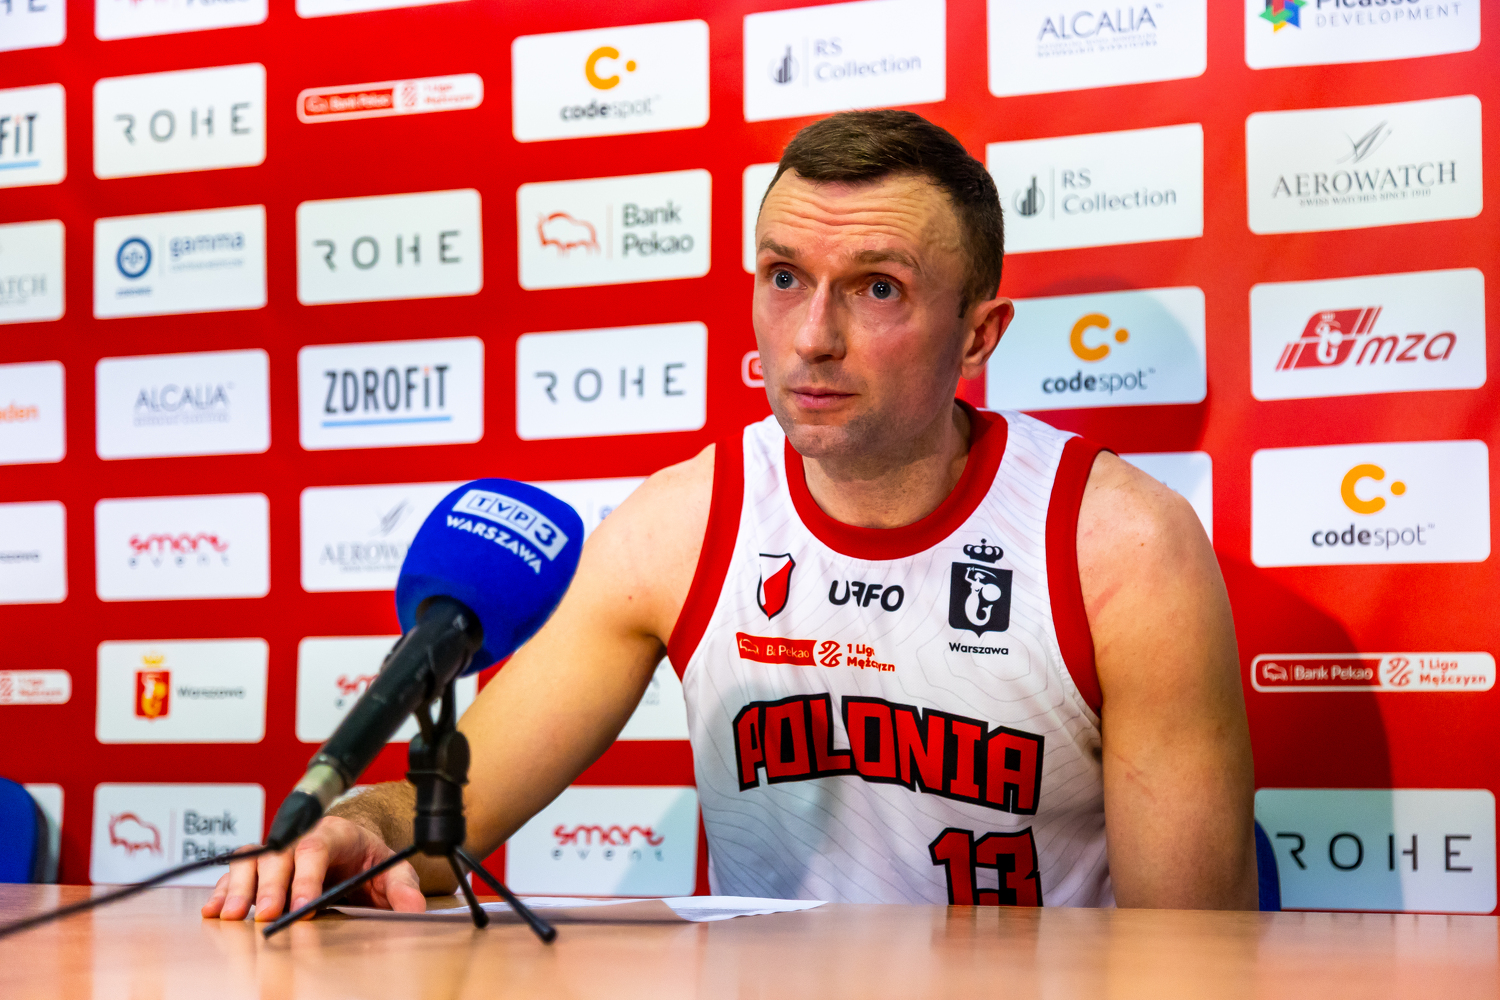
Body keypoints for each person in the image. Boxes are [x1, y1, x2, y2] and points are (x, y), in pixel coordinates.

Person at [205, 110, 1256, 920]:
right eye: (785, 276)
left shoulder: (1119, 546)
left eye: (877, 290)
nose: (811, 337)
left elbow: (1190, 952)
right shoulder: (682, 524)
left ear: (979, 335)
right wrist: (359, 827)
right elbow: (450, 815)